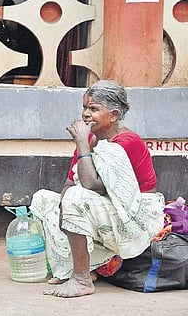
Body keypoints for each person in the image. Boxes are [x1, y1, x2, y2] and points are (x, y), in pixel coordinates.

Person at [29, 80, 165, 298]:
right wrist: (64, 206)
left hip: (137, 217)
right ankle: (79, 269)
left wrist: (82, 144)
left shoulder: (126, 142)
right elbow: (70, 181)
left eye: (93, 109)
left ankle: (81, 279)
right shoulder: (92, 138)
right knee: (43, 199)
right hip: (107, 209)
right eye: (84, 107)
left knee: (76, 197)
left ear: (113, 115)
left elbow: (93, 185)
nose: (85, 114)